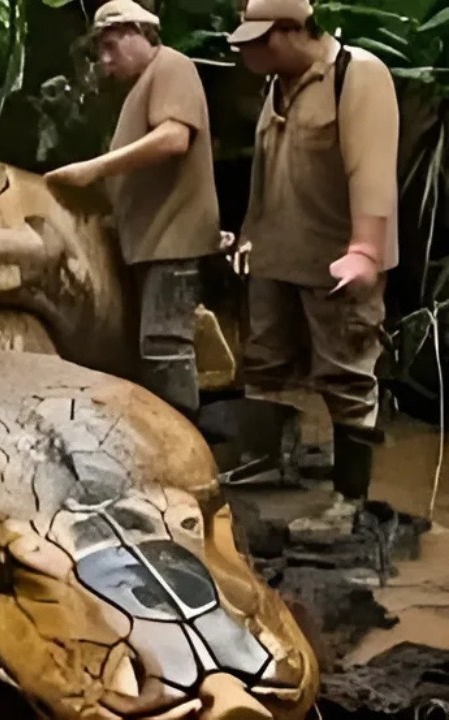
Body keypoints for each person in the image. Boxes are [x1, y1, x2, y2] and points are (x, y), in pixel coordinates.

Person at [228, 0, 399, 499]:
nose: (250, 52)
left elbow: (370, 170)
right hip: (276, 256)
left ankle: (350, 498)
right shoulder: (275, 87)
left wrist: (365, 249)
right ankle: (265, 466)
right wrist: (247, 239)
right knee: (263, 363)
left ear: (291, 30)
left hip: (334, 262)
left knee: (345, 372)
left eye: (260, 41)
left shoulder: (356, 75)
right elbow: (265, 169)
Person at [46, 0, 222, 419]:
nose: (106, 62)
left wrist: (94, 169)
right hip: (152, 241)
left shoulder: (171, 67)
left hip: (173, 238)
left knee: (164, 346)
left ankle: (184, 446)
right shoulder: (143, 86)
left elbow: (174, 137)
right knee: (155, 347)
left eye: (110, 46)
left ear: (137, 33)